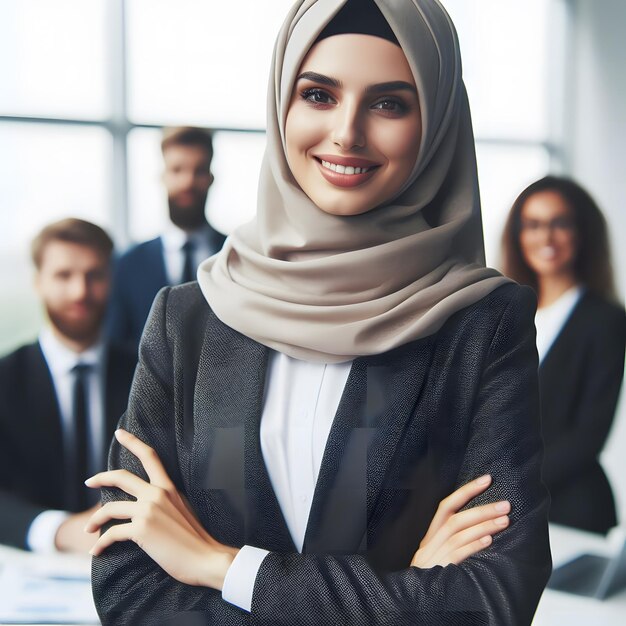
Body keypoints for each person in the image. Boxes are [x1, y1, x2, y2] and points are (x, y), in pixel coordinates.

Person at [89, 1, 551, 624]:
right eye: (318, 95)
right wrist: (405, 592)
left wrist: (220, 566)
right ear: (283, 103)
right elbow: (127, 587)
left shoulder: (483, 323)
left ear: (437, 123)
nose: (348, 133)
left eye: (390, 103)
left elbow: (492, 599)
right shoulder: (188, 319)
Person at [0, 218, 136, 553]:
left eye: (95, 275)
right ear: (37, 282)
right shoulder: (5, 378)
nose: (80, 291)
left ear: (111, 279)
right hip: (28, 566)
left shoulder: (146, 374)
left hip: (133, 560)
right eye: (64, 276)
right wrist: (60, 531)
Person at [501, 175, 626, 535]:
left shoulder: (605, 320)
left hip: (569, 509)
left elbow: (589, 435)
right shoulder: (504, 315)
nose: (546, 237)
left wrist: (508, 491)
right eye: (533, 225)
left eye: (560, 223)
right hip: (504, 512)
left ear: (581, 232)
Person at [106, 126, 226, 351]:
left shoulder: (235, 256)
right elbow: (117, 349)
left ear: (210, 178)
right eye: (177, 170)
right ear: (163, 176)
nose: (187, 182)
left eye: (198, 170)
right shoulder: (128, 264)